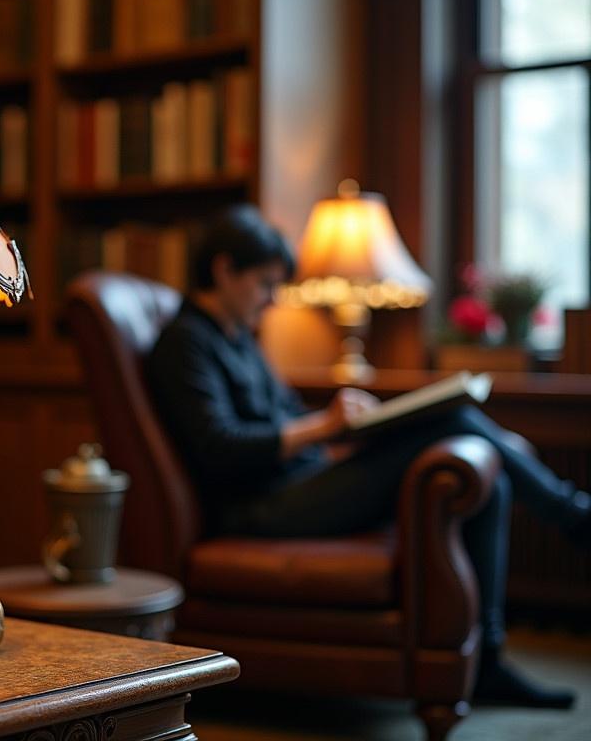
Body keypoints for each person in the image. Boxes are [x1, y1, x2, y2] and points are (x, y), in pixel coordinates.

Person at [146, 204, 591, 709]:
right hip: (261, 507)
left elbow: (287, 415)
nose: (271, 301)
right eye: (265, 284)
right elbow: (219, 449)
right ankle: (576, 517)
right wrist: (322, 427)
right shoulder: (184, 342)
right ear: (225, 270)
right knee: (457, 422)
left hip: (301, 479)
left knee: (491, 477)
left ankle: (487, 661)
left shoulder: (237, 338)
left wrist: (348, 426)